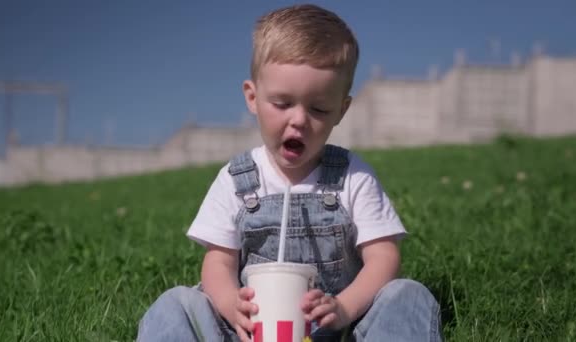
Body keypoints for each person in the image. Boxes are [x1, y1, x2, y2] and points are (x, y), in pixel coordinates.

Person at [137, 3, 442, 341]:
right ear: (252, 98)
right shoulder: (236, 180)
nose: (298, 119)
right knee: (175, 303)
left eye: (319, 108)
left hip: (338, 330)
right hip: (251, 331)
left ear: (341, 110)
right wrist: (228, 303)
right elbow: (218, 262)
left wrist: (342, 308)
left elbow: (383, 256)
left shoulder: (352, 177)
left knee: (409, 295)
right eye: (282, 104)